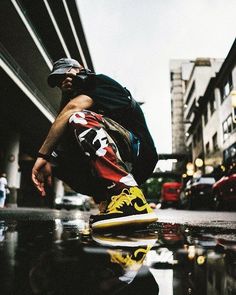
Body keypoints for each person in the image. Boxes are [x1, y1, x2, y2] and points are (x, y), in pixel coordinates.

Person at [32, 58, 158, 230]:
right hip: (119, 156)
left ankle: (128, 195)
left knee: (79, 118)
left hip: (139, 155)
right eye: (58, 81)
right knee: (56, 154)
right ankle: (109, 199)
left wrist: (42, 155)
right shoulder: (74, 100)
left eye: (65, 75)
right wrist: (49, 162)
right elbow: (64, 132)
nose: (62, 82)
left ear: (80, 70)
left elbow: (72, 110)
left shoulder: (98, 82)